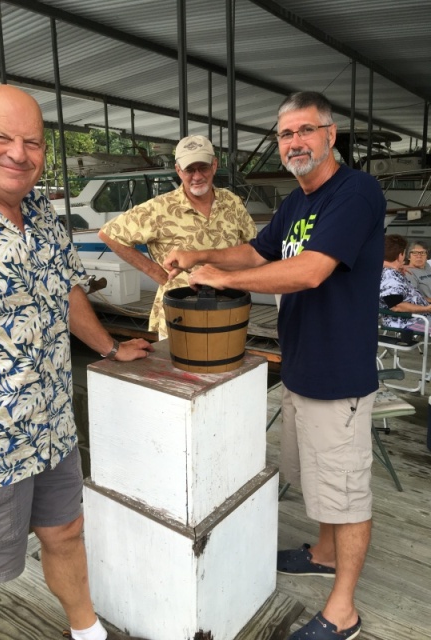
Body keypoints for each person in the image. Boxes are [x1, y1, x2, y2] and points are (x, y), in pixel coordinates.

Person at [164, 92, 386, 640]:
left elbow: (309, 271)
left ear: (330, 136)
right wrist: (200, 258)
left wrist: (223, 279)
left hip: (339, 375)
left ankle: (343, 612)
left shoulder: (355, 192)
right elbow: (259, 252)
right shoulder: (296, 202)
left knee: (346, 489)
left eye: (304, 131)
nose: (294, 143)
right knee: (315, 475)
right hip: (302, 365)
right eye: (285, 135)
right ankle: (325, 551)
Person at [0, 84, 153, 640]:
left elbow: (65, 291)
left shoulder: (40, 206)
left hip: (51, 425)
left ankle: (88, 632)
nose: (19, 153)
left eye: (32, 142)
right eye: (1, 137)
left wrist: (110, 348)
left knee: (67, 531)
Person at [97, 135, 256, 338]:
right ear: (179, 170)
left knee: (228, 365)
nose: (197, 176)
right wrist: (155, 272)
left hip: (229, 309)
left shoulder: (232, 202)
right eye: (190, 169)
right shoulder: (160, 207)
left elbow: (252, 247)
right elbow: (110, 233)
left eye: (203, 167)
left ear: (214, 165)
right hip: (179, 314)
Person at [380, 234, 431, 332]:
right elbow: (397, 306)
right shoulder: (390, 277)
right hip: (410, 323)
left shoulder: (387, 271)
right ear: (400, 255)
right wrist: (427, 308)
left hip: (417, 319)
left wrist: (398, 267)